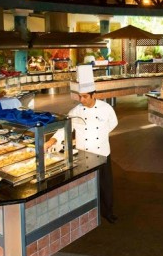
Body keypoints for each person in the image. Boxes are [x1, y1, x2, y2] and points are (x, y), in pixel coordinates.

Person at [45, 91, 119, 223]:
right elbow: (65, 129)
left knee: (105, 184)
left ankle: (108, 211)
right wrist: (52, 141)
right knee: (85, 184)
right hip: (84, 153)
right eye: (80, 96)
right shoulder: (75, 111)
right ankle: (87, 212)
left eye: (85, 96)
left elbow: (113, 123)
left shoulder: (106, 108)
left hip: (102, 151)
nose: (81, 100)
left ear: (93, 95)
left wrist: (101, 134)